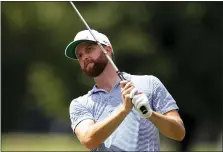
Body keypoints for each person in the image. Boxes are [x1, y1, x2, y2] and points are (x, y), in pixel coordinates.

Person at [65, 29, 186, 151]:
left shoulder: (149, 83)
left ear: (107, 49)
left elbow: (179, 133)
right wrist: (124, 110)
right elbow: (88, 140)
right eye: (79, 55)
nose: (84, 57)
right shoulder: (80, 104)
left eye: (89, 49)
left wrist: (150, 114)